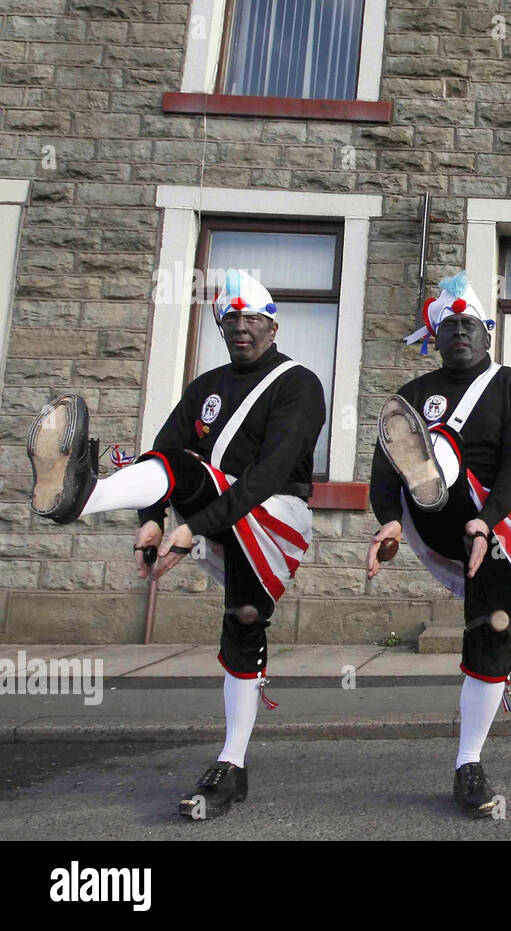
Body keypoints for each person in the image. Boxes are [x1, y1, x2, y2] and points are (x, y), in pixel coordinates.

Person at [26, 269, 326, 819]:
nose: (239, 327)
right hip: (221, 518)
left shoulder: (299, 384)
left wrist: (189, 528)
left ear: (273, 324)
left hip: (276, 518)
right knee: (243, 619)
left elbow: (268, 474)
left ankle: (82, 496)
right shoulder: (206, 386)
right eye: (229, 318)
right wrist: (151, 520)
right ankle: (231, 764)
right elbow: (162, 450)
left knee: (187, 471)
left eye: (251, 317)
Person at [368, 271, 511, 818]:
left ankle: (468, 762)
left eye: (470, 324)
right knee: (431, 448)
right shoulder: (411, 397)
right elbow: (381, 471)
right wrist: (389, 522)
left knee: (490, 626)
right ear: (435, 338)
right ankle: (436, 474)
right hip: (435, 521)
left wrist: (487, 519)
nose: (460, 333)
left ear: (488, 334)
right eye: (449, 326)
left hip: (503, 523)